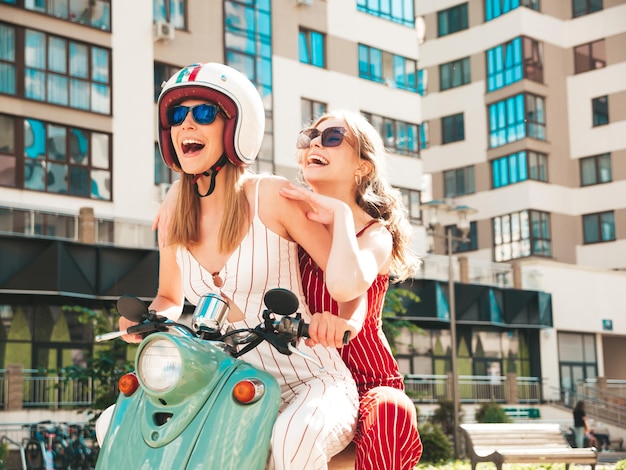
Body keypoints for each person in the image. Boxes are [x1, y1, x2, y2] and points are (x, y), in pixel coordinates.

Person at [113, 62, 370, 470]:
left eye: (203, 114)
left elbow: (352, 283)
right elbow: (169, 297)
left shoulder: (269, 197)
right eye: (177, 117)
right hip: (223, 381)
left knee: (291, 443)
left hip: (309, 379)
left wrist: (344, 323)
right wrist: (147, 320)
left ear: (236, 128)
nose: (186, 126)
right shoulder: (174, 214)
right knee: (117, 424)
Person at [280, 110, 423, 470]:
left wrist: (341, 218)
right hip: (299, 375)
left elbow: (352, 293)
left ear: (363, 167)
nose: (315, 141)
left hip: (365, 379)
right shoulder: (287, 214)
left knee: (391, 409)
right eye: (310, 136)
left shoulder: (376, 234)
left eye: (331, 138)